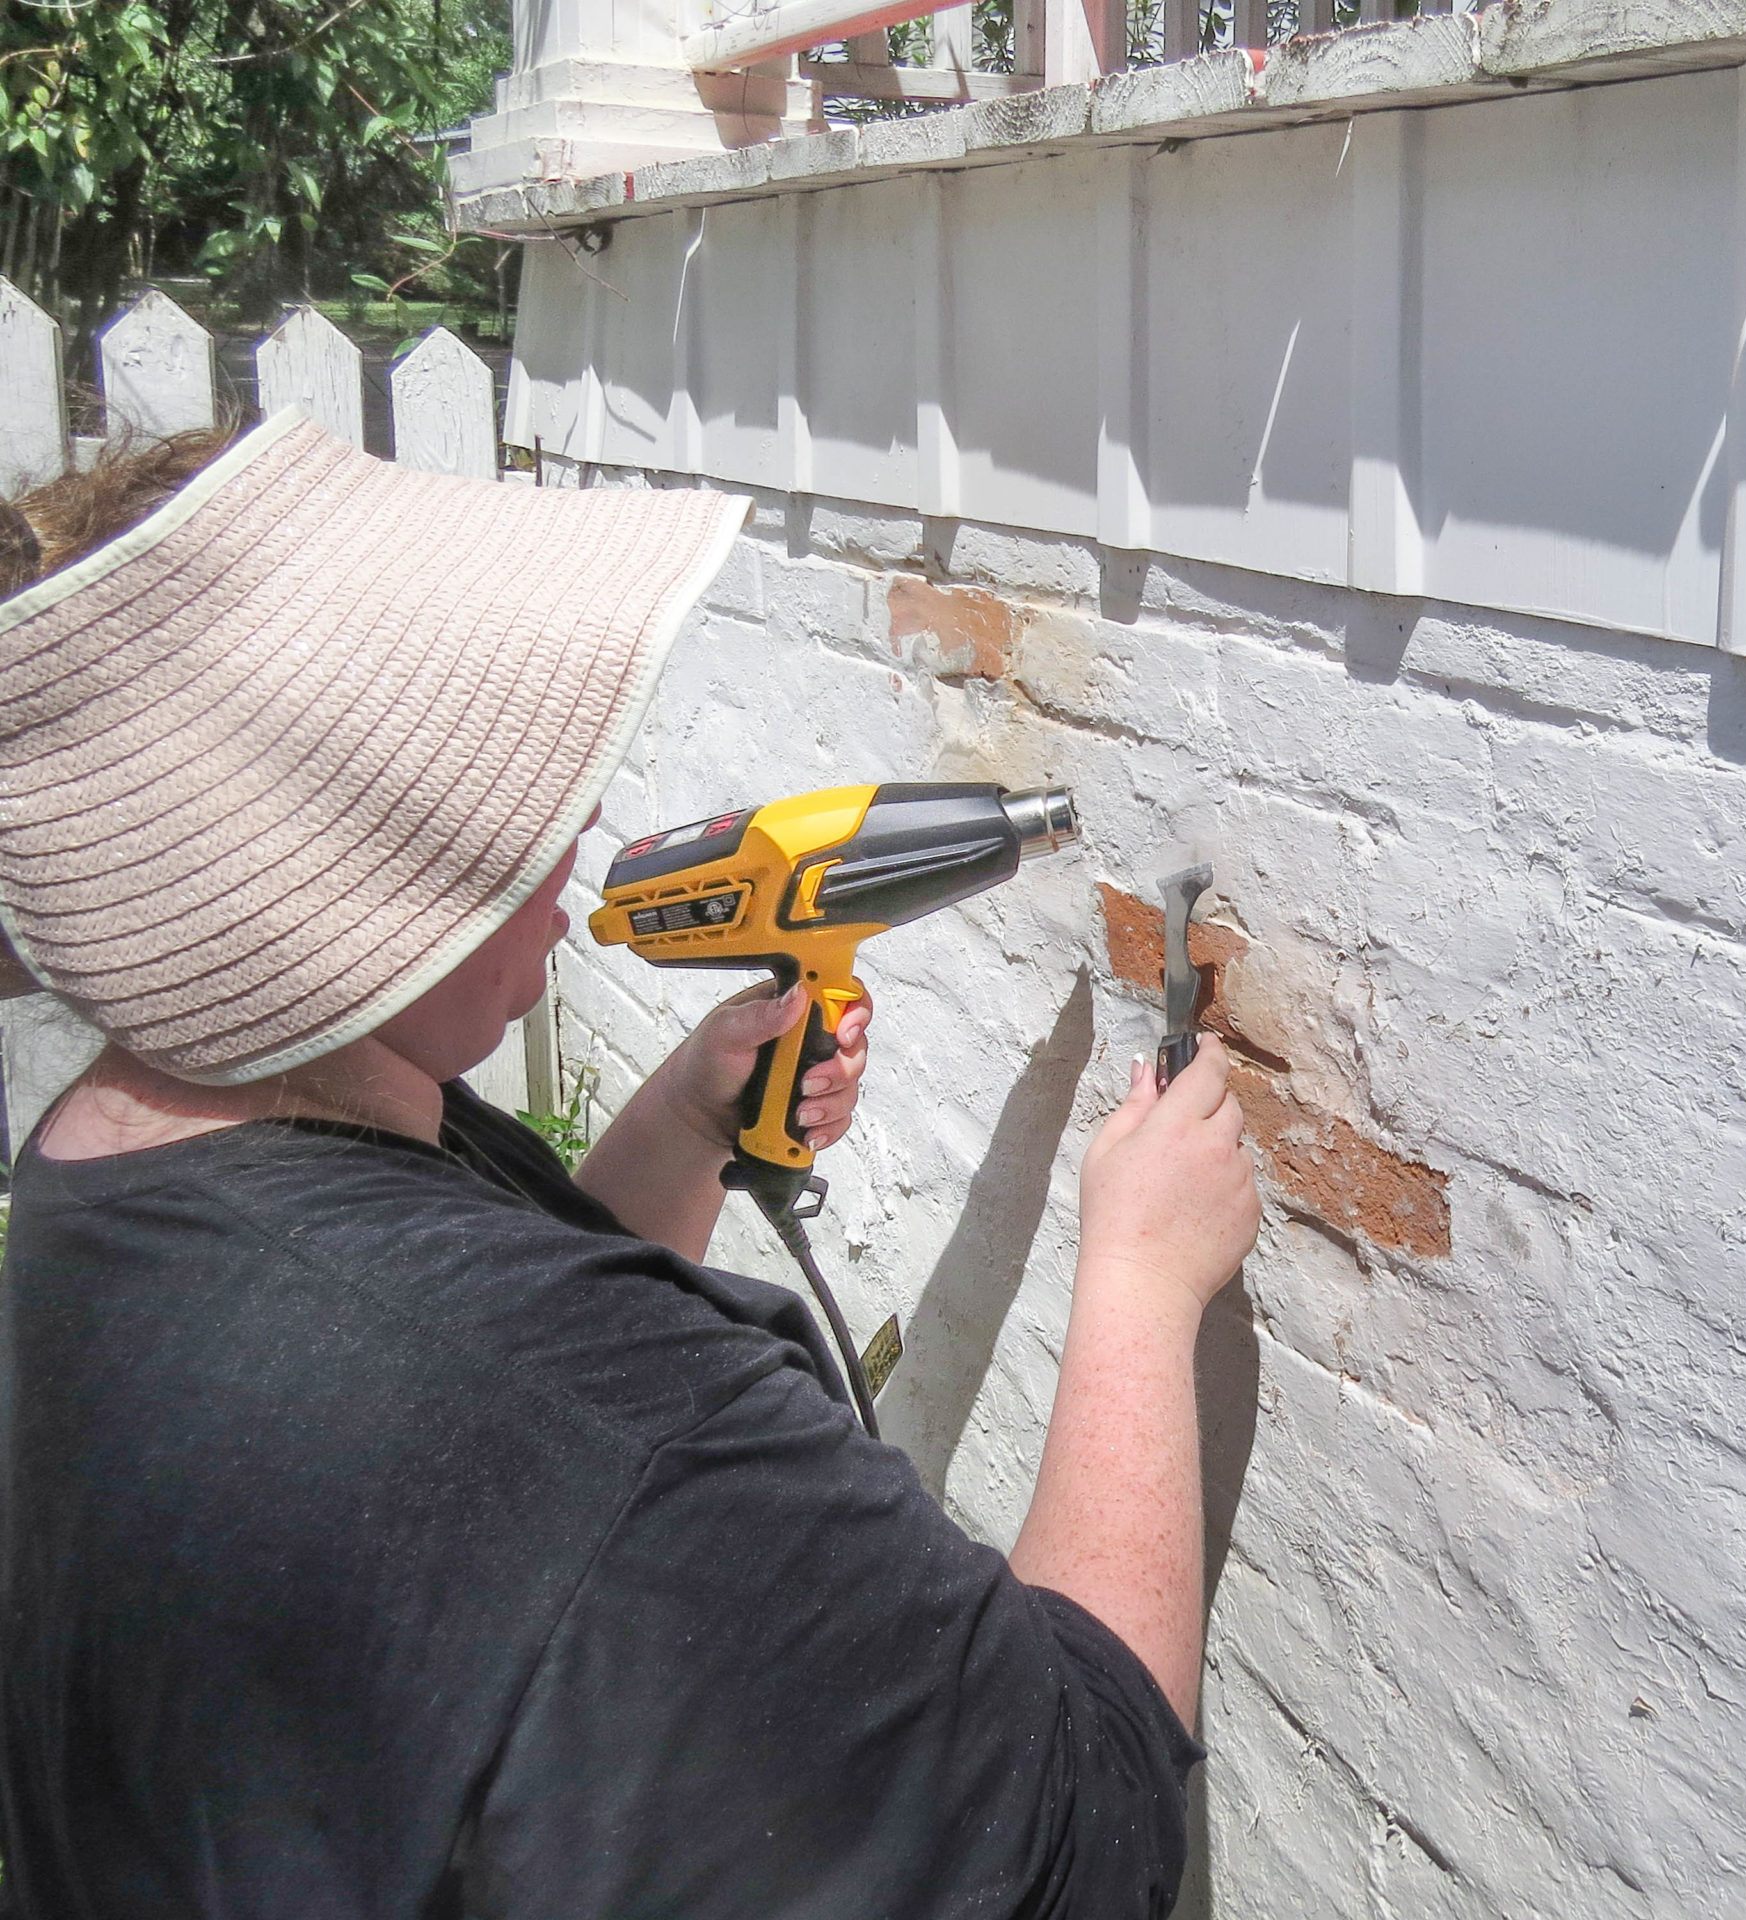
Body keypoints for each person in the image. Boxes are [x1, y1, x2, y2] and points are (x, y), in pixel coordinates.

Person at [0, 414, 1260, 1916]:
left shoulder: (109, 1174)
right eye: (512, 792)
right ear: (358, 876)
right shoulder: (607, 1444)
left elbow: (485, 1379)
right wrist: (1138, 1276)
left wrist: (683, 1128)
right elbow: (1080, 1832)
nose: (581, 825)